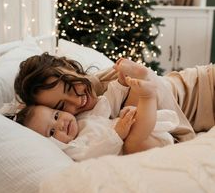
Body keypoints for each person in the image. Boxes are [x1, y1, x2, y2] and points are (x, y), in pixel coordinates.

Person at [14, 52, 215, 144]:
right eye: (61, 107)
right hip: (205, 114)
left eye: (70, 86)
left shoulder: (108, 80)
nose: (77, 101)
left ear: (69, 67)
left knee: (139, 86)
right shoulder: (83, 123)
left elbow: (183, 135)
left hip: (204, 86)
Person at [11, 75, 178, 160]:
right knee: (132, 141)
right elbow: (94, 154)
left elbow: (105, 105)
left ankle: (145, 93)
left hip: (149, 135)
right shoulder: (72, 149)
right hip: (136, 148)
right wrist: (117, 134)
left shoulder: (83, 118)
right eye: (52, 131)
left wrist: (119, 85)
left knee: (128, 111)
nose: (60, 125)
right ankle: (148, 97)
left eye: (56, 115)